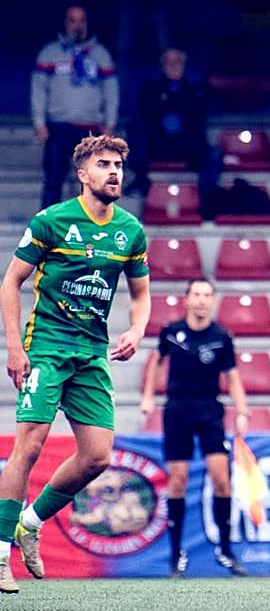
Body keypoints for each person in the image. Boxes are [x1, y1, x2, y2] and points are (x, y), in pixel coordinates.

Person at [0, 134, 149, 595]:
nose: (114, 172)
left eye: (119, 165)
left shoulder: (130, 230)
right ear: (82, 174)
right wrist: (14, 348)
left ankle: (30, 521)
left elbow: (142, 294)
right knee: (31, 444)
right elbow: (11, 283)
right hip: (45, 345)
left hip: (91, 353)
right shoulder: (52, 221)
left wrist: (137, 329)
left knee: (98, 456)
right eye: (104, 165)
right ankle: (0, 554)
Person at [139, 278, 249, 577]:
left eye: (207, 295)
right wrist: (148, 396)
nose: (201, 300)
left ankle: (225, 550)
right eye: (196, 294)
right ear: (186, 299)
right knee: (178, 481)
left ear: (213, 300)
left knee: (221, 479)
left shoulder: (222, 337)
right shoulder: (171, 332)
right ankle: (176, 554)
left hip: (210, 410)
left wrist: (242, 411)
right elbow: (156, 362)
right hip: (177, 410)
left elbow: (233, 376)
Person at [31, 6, 120, 209]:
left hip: (91, 129)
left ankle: (90, 227)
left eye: (81, 21)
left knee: (92, 183)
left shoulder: (100, 54)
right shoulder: (49, 53)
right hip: (58, 126)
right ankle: (48, 228)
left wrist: (110, 123)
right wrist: (39, 123)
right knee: (53, 179)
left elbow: (111, 91)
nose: (77, 26)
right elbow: (38, 90)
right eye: (73, 21)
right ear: (65, 23)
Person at [129, 47, 221, 198]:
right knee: (137, 128)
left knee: (213, 155)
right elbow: (146, 111)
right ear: (162, 65)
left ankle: (207, 202)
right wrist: (173, 100)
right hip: (159, 146)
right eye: (168, 62)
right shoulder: (150, 90)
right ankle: (141, 182)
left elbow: (198, 113)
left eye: (177, 62)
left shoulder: (196, 90)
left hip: (186, 147)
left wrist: (172, 99)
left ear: (184, 65)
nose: (173, 65)